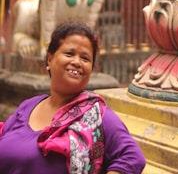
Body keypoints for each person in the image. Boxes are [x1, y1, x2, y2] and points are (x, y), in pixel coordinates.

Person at [0, 21, 146, 174]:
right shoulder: (28, 106)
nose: (77, 62)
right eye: (69, 54)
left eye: (85, 58)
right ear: (50, 58)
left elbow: (132, 158)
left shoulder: (96, 116)